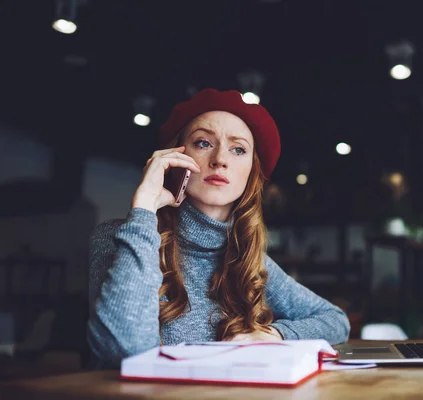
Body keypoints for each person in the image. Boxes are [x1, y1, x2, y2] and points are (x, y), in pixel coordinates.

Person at [86, 89, 350, 368]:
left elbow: (336, 320)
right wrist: (144, 208)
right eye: (203, 143)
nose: (220, 159)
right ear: (175, 158)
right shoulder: (118, 238)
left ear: (251, 173)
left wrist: (273, 334)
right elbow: (123, 348)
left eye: (238, 149)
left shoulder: (248, 259)